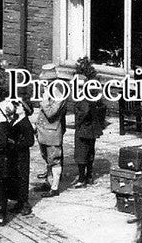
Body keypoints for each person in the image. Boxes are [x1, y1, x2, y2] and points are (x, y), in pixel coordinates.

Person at [32, 64, 66, 197]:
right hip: (43, 131)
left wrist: (44, 100)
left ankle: (55, 187)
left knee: (55, 160)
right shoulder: (49, 90)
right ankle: (48, 182)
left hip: (52, 132)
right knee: (47, 159)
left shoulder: (59, 92)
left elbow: (51, 113)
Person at [71, 62, 106, 188]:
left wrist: (78, 122)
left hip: (84, 129)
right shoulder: (92, 95)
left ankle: (82, 178)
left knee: (81, 154)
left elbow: (84, 111)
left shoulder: (82, 98)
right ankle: (89, 176)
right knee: (90, 152)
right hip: (91, 129)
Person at [6, 96, 36, 216]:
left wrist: (16, 144)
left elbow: (30, 141)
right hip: (14, 154)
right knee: (15, 178)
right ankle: (19, 202)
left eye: (18, 105)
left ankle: (25, 204)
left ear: (24, 109)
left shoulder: (25, 123)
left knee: (22, 178)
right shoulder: (16, 119)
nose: (16, 107)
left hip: (22, 155)